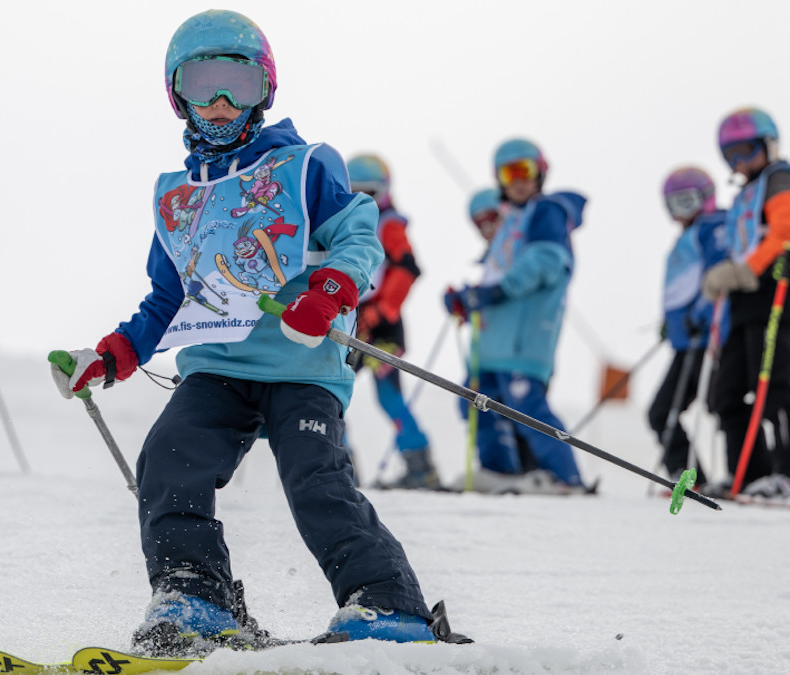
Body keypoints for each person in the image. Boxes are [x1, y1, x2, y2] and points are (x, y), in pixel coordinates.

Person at [50, 10, 466, 657]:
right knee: (167, 459)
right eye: (201, 85)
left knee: (316, 481)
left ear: (264, 92)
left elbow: (359, 232)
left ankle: (388, 603)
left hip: (300, 364)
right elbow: (166, 297)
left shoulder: (304, 167)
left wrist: (328, 292)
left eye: (236, 87)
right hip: (216, 367)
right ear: (177, 96)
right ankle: (195, 596)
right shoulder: (178, 198)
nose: (218, 104)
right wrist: (108, 358)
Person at [443, 138, 588, 494]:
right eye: (509, 173)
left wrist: (496, 292)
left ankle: (565, 477)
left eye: (525, 171)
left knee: (527, 405)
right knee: (476, 402)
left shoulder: (547, 211)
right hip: (493, 341)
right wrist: (468, 298)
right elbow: (497, 274)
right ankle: (501, 472)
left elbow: (546, 262)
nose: (518, 180)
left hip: (523, 339)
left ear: (540, 172)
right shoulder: (512, 221)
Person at [702, 107, 790, 497]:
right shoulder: (743, 196)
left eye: (747, 150)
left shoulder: (779, 179)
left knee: (776, 388)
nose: (740, 162)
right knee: (726, 393)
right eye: (731, 155)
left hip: (775, 296)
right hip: (742, 303)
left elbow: (784, 233)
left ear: (768, 146)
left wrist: (746, 270)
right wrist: (724, 274)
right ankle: (749, 474)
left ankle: (785, 474)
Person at [344, 153, 439, 489]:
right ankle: (339, 466)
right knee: (331, 393)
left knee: (387, 397)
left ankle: (420, 466)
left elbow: (406, 266)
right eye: (352, 191)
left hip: (379, 325)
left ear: (383, 192)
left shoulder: (388, 223)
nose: (361, 200)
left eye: (368, 192)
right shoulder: (341, 221)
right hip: (348, 322)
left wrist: (383, 309)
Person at [649, 167, 728, 487]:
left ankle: (752, 471)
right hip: (685, 341)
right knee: (661, 412)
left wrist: (703, 313)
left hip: (706, 339)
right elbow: (679, 287)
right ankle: (689, 478)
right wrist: (670, 323)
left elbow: (717, 275)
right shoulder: (685, 237)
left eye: (686, 201)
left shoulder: (714, 227)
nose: (679, 212)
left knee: (720, 404)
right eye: (672, 205)